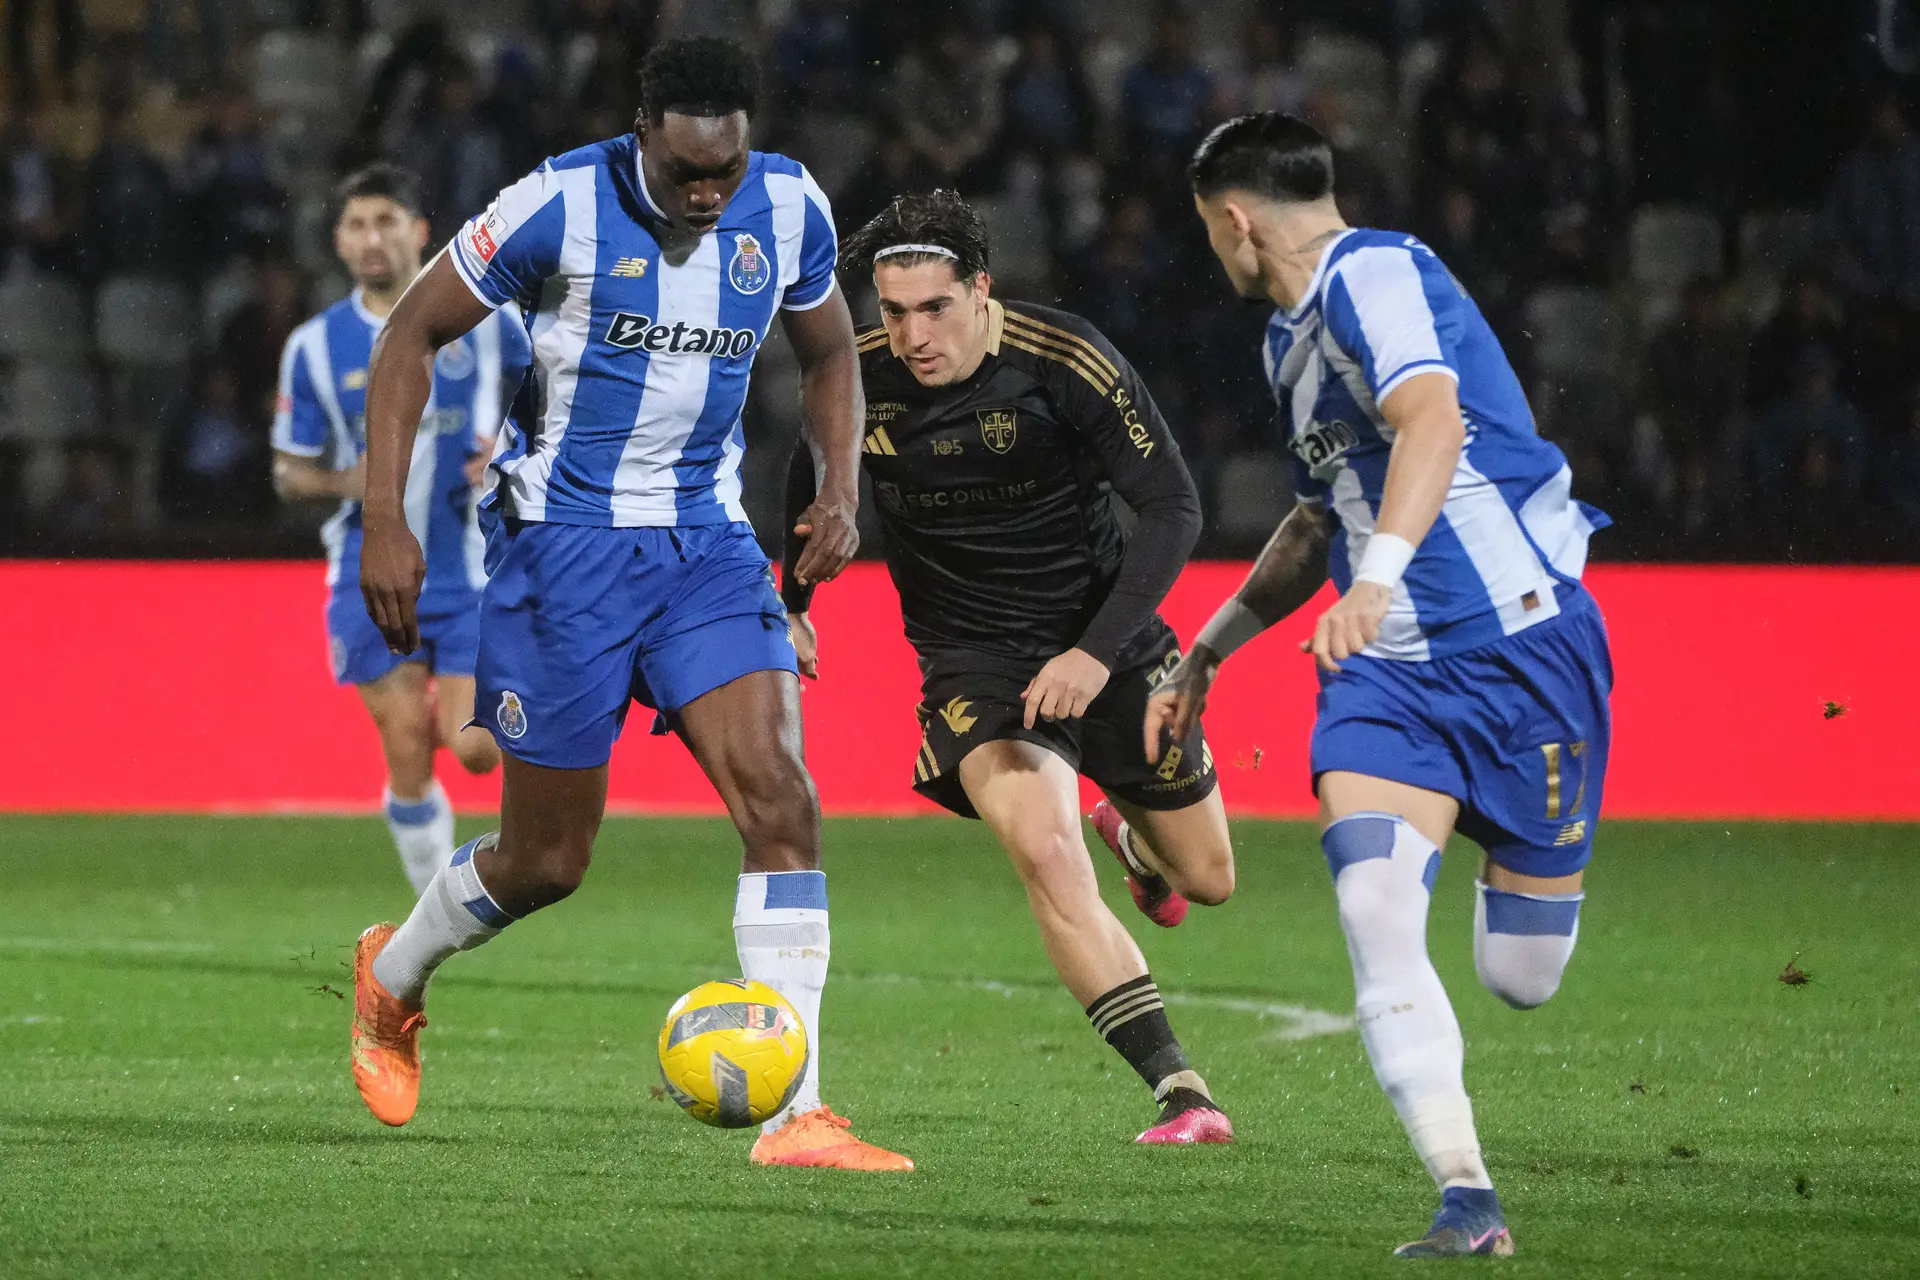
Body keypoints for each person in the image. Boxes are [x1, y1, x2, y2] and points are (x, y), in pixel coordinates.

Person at [349, 37, 911, 1173]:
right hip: (565, 552)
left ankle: (802, 1110)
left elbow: (831, 353)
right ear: (644, 131)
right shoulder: (554, 204)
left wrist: (843, 485)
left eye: (726, 171)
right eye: (688, 173)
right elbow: (411, 332)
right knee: (548, 859)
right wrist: (386, 517)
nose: (710, 195)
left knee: (783, 800)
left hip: (706, 543)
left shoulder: (789, 204)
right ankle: (391, 974)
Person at [1157, 114, 1613, 1257]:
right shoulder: (1285, 346)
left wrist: (1385, 578)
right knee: (1372, 906)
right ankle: (1468, 1194)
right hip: (1387, 679)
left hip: (1522, 653)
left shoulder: (1380, 272)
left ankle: (1499, 834)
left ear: (1234, 219)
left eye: (1209, 233)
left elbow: (1433, 418)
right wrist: (1210, 644)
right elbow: (1323, 517)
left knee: (1521, 975)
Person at [786, 191, 1235, 1145]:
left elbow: (1174, 509)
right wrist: (792, 606)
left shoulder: (1063, 358)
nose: (910, 335)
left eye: (933, 308)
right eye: (892, 310)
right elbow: (811, 490)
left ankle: (1131, 839)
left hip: (1105, 636)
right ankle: (1183, 1093)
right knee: (1042, 849)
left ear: (980, 291)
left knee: (1208, 878)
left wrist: (1093, 652)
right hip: (971, 662)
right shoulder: (858, 380)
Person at [272, 163, 528, 894]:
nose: (371, 237)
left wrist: (511, 447)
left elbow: (549, 396)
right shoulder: (314, 347)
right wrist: (341, 482)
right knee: (405, 741)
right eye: (356, 225)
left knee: (475, 747)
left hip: (471, 566)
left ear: (420, 233)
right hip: (368, 565)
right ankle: (435, 904)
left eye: (386, 220)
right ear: (338, 243)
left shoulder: (484, 323)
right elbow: (289, 470)